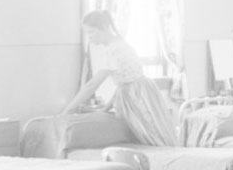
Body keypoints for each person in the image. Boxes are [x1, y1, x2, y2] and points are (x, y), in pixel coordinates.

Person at [62, 10, 178, 146]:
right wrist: (106, 107)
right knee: (154, 134)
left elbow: (92, 85)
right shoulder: (120, 44)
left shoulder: (114, 51)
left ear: (104, 28)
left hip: (136, 97)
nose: (90, 37)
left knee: (148, 136)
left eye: (91, 32)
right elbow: (123, 84)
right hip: (143, 92)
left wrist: (68, 109)